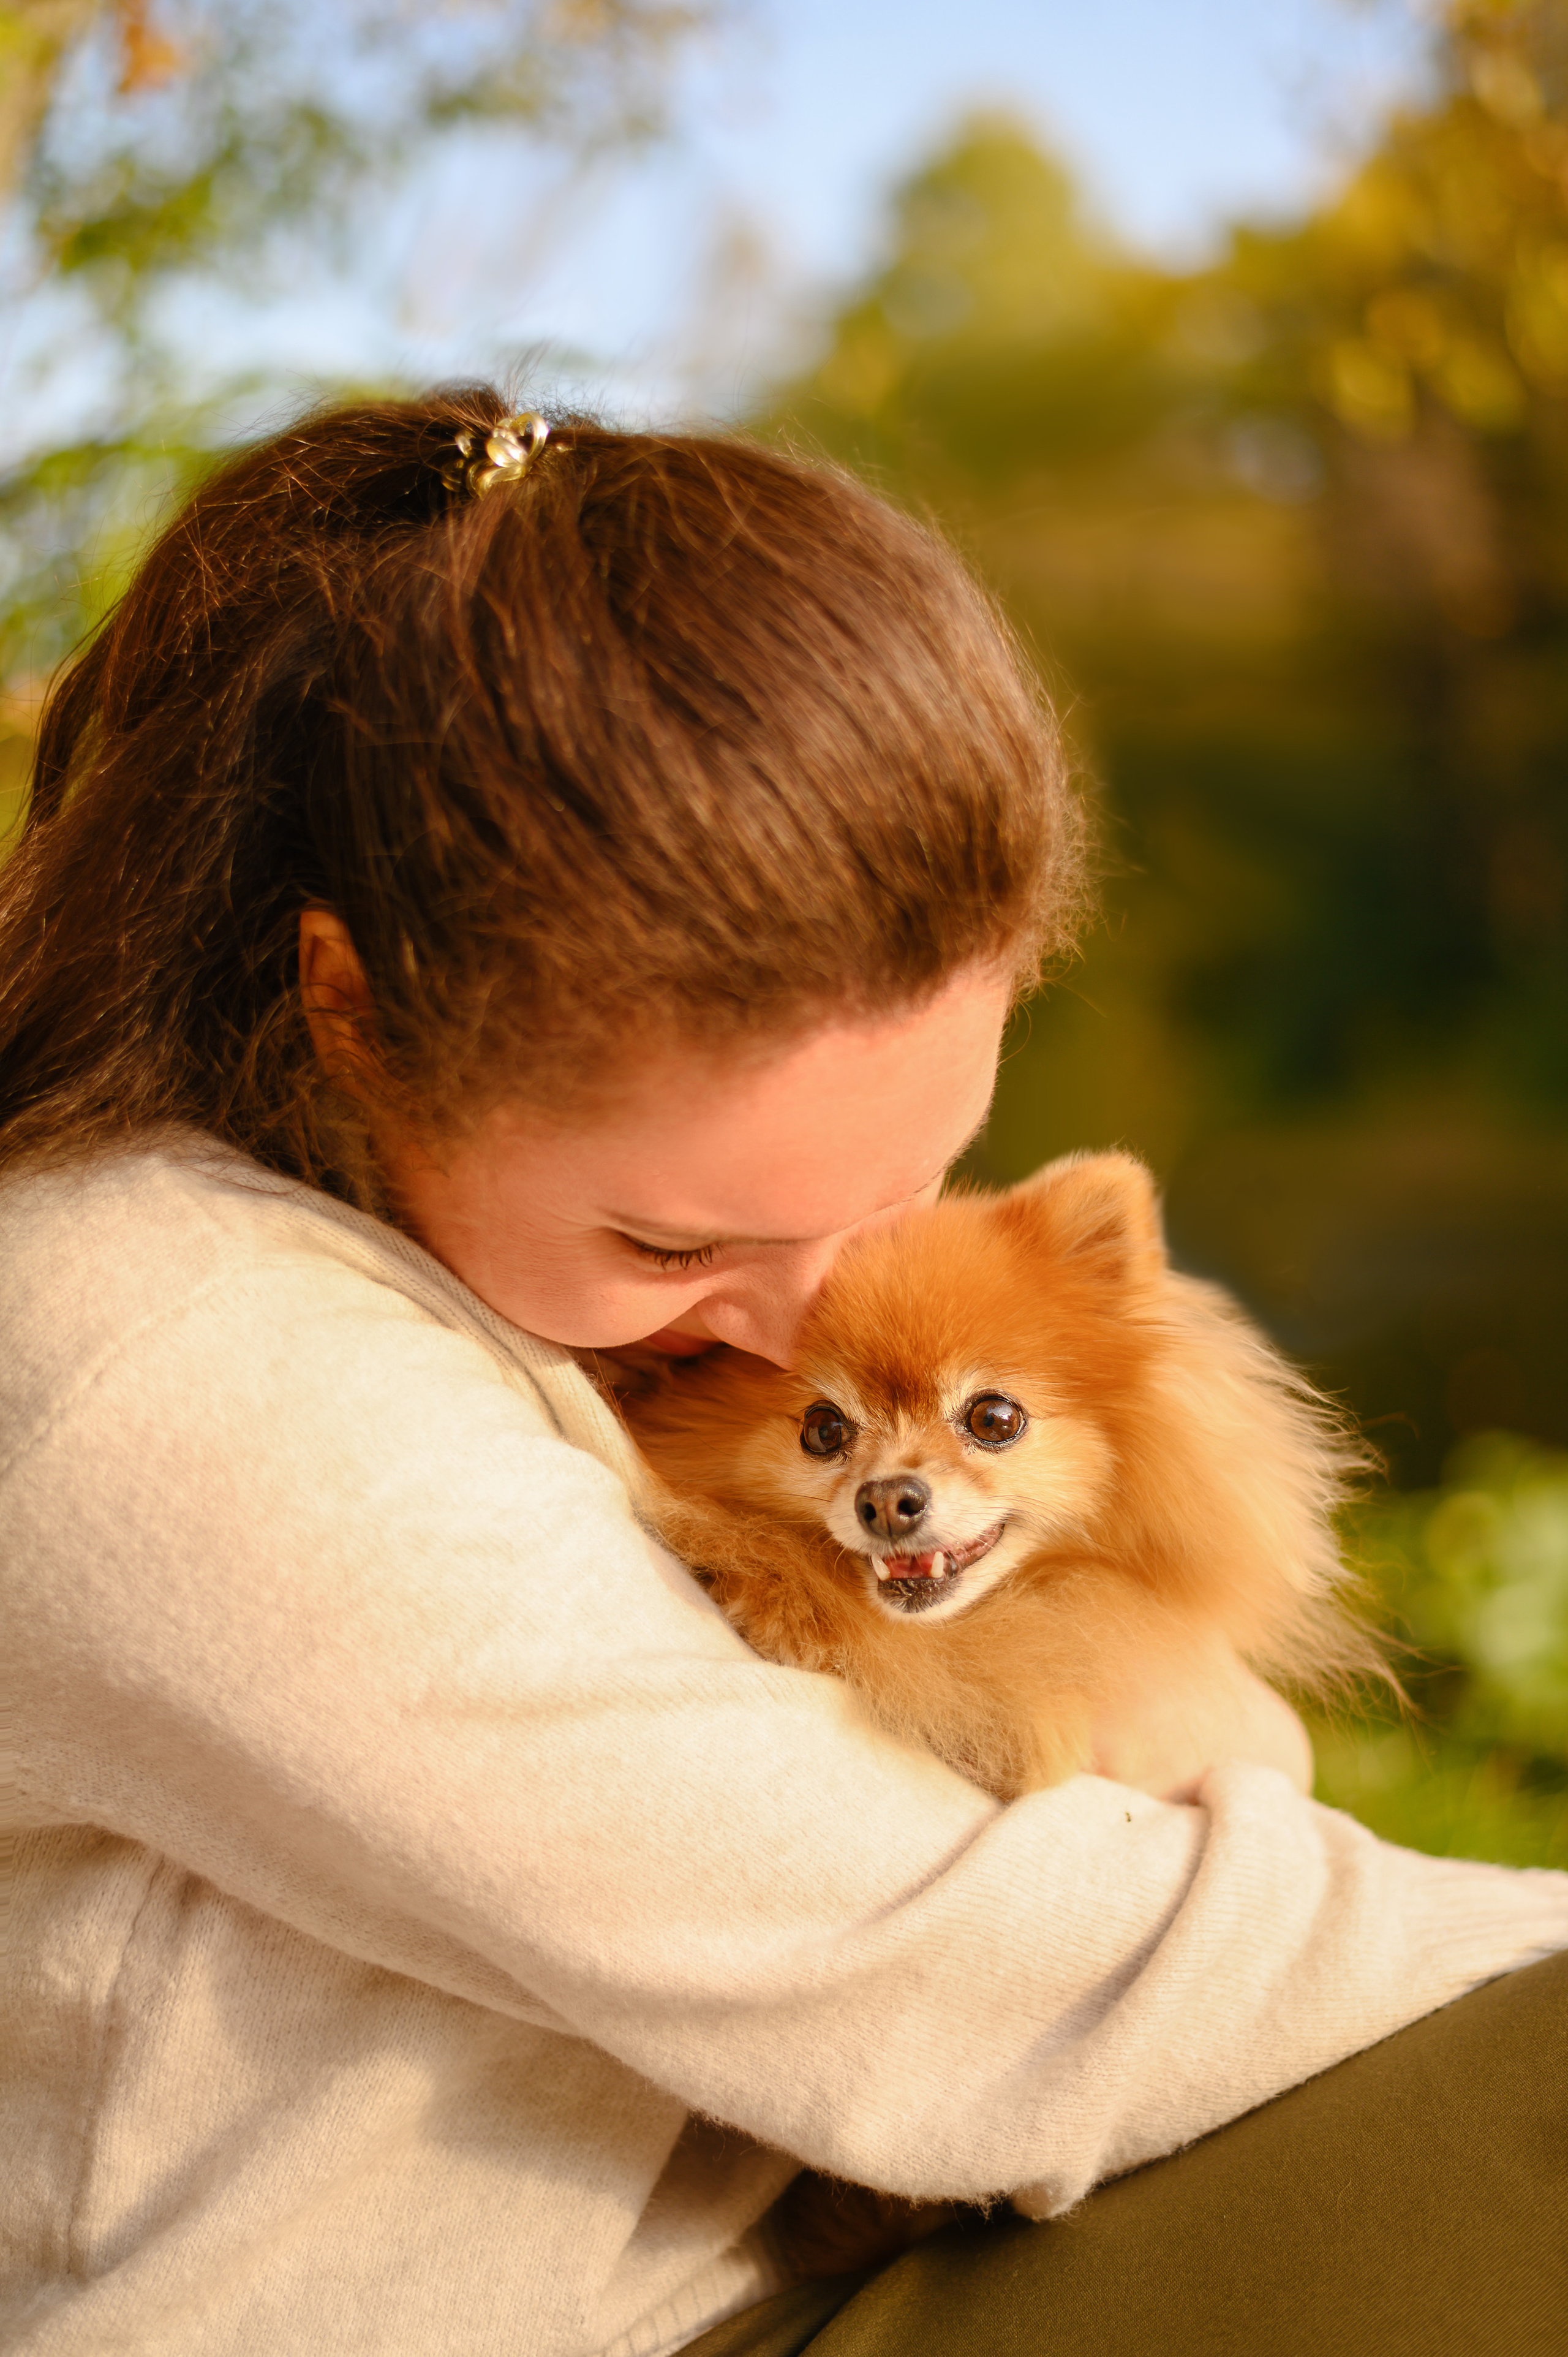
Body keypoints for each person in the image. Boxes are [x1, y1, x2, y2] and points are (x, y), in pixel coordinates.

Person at [0, 392, 1564, 2357]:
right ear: (348, 1009)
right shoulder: (166, 1352)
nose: (794, 1318)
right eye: (676, 1245)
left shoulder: (451, 1273)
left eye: (904, 1193)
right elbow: (939, 1970)